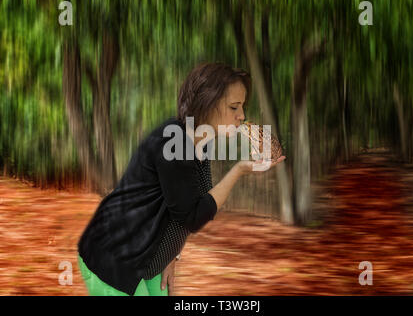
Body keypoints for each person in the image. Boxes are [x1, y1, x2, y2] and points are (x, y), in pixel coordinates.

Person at [76, 62, 286, 296]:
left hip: (149, 259)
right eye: (233, 107)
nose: (242, 115)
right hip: (114, 257)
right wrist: (238, 170)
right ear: (206, 104)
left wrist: (172, 255)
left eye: (242, 106)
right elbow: (194, 216)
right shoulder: (171, 145)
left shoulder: (202, 141)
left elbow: (193, 202)